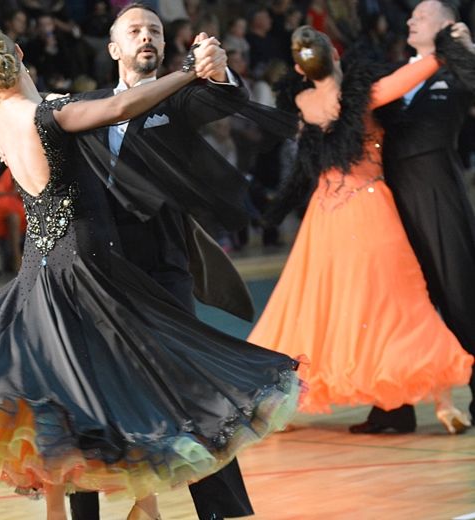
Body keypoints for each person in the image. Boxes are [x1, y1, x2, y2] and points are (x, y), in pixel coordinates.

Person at [0, 23, 300, 520]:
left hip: (40, 268)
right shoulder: (52, 115)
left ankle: (128, 507)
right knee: (128, 379)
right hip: (88, 262)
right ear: (21, 54)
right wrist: (185, 71)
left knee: (64, 393)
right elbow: (117, 108)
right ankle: (144, 506)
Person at [69, 4, 271, 519]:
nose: (147, 38)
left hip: (162, 268)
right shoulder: (87, 107)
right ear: (114, 48)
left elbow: (228, 96)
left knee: (193, 392)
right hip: (99, 273)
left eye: (155, 31)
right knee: (84, 394)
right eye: (135, 31)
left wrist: (216, 66)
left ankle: (222, 511)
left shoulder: (179, 99)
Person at [248, 25, 473, 434]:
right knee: (398, 303)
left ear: (300, 69)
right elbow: (410, 76)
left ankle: (276, 404)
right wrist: (444, 49)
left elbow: (292, 152)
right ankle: (442, 403)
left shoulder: (302, 102)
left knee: (313, 308)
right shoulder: (362, 95)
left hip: (324, 216)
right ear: (335, 54)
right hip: (369, 207)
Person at [353, 0, 475, 434]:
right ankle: (393, 409)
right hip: (387, 197)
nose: (410, 21)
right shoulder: (395, 72)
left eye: (421, 16)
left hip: (435, 189)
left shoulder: (458, 69)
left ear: (448, 25)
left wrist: (468, 49)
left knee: (459, 296)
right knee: (395, 304)